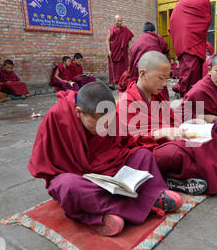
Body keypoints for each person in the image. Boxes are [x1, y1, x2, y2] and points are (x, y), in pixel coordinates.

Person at [28, 81, 181, 237]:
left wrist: (157, 135)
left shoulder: (108, 113)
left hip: (112, 167)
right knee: (67, 187)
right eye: (98, 124)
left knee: (143, 155)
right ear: (79, 112)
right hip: (82, 177)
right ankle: (144, 201)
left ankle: (107, 211)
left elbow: (125, 140)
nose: (105, 128)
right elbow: (45, 168)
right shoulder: (56, 118)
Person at [118, 51, 217, 196]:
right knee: (176, 152)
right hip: (150, 149)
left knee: (209, 134)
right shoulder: (126, 101)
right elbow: (127, 142)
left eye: (166, 79)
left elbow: (171, 120)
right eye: (161, 79)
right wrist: (159, 134)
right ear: (143, 73)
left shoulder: (156, 94)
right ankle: (202, 169)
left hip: (169, 140)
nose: (164, 84)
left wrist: (188, 122)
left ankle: (203, 168)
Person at [170, 0, 212, 97]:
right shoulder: (204, 0)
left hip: (183, 45)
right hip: (195, 44)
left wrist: (180, 39)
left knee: (186, 74)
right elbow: (207, 20)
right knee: (193, 78)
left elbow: (173, 20)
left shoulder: (181, 1)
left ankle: (187, 102)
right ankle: (189, 107)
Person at [107, 15, 134, 89]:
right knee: (113, 68)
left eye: (121, 21)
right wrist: (108, 50)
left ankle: (123, 82)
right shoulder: (111, 30)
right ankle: (113, 83)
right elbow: (107, 40)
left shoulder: (125, 29)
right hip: (114, 52)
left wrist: (129, 48)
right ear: (114, 21)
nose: (119, 22)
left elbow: (129, 39)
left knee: (123, 67)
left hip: (123, 52)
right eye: (118, 21)